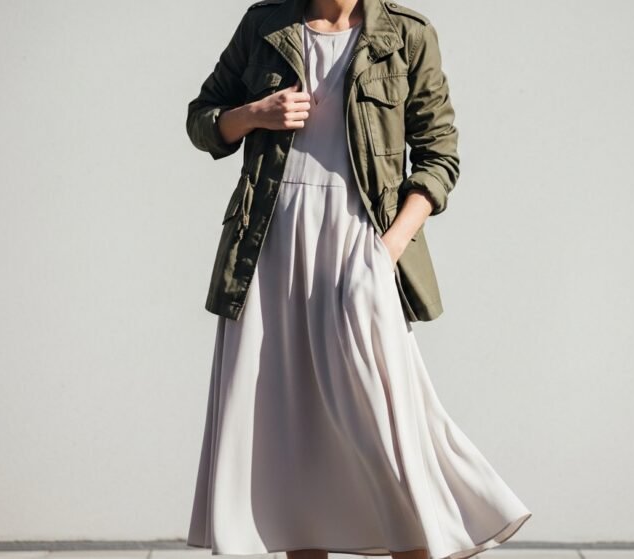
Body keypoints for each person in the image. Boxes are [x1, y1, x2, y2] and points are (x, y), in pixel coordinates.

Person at [184, 1, 532, 559]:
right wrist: (253, 113)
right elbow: (203, 120)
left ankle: (438, 530)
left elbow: (439, 156)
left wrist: (383, 252)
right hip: (269, 245)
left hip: (360, 243)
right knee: (288, 431)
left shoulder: (407, 35)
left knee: (386, 429)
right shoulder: (264, 24)